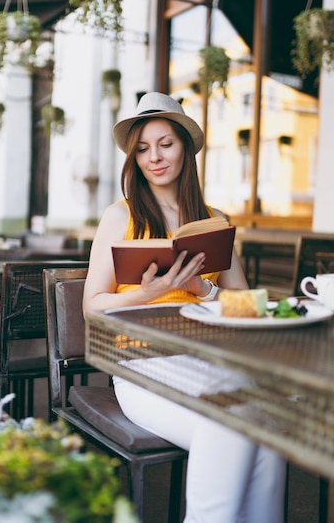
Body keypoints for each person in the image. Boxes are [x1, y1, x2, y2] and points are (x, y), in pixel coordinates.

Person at [83, 91, 286, 522]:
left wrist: (202, 288)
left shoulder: (214, 219)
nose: (153, 157)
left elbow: (246, 307)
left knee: (267, 425)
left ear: (186, 149)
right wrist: (146, 292)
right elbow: (92, 307)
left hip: (205, 361)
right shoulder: (120, 216)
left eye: (165, 144)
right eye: (142, 148)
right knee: (234, 427)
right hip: (141, 363)